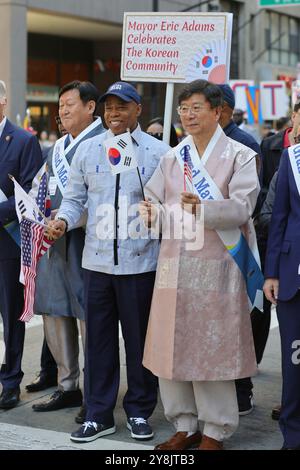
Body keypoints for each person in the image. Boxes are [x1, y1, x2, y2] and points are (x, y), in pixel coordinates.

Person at [139, 79, 260, 450]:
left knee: (212, 347)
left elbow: (244, 206)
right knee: (171, 344)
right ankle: (184, 423)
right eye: (183, 109)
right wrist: (150, 212)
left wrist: (203, 209)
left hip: (218, 263)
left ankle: (215, 429)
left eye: (195, 108)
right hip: (175, 262)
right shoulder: (172, 157)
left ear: (217, 111)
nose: (188, 116)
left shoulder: (240, 156)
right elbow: (153, 197)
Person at [46, 81, 170, 443]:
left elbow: (170, 204)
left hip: (140, 265)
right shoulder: (89, 151)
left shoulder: (160, 152)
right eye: (109, 108)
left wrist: (157, 211)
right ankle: (99, 413)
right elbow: (75, 200)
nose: (114, 114)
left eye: (122, 107)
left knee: (138, 343)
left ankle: (139, 410)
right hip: (96, 263)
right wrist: (63, 221)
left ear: (137, 111)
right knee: (98, 344)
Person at [31, 81, 104, 417]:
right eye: (60, 105)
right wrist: (34, 211)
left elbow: (102, 197)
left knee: (90, 315)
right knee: (56, 311)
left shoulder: (105, 143)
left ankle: (95, 390)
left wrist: (65, 220)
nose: (62, 111)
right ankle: (67, 384)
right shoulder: (57, 147)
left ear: (91, 107)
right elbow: (39, 185)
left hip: (88, 240)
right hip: (52, 241)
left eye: (69, 104)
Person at [217, 84, 264, 416]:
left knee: (243, 319)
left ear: (220, 110)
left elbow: (251, 200)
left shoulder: (243, 144)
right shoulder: (195, 146)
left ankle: (242, 389)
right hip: (209, 243)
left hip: (237, 240)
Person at [0, 79, 43, 409]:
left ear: (2, 102)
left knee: (11, 312)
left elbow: (28, 194)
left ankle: (10, 380)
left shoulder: (24, 141)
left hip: (8, 242)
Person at [263, 135, 300, 450]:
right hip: (293, 274)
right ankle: (293, 435)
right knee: (294, 361)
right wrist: (272, 272)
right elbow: (279, 217)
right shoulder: (292, 158)